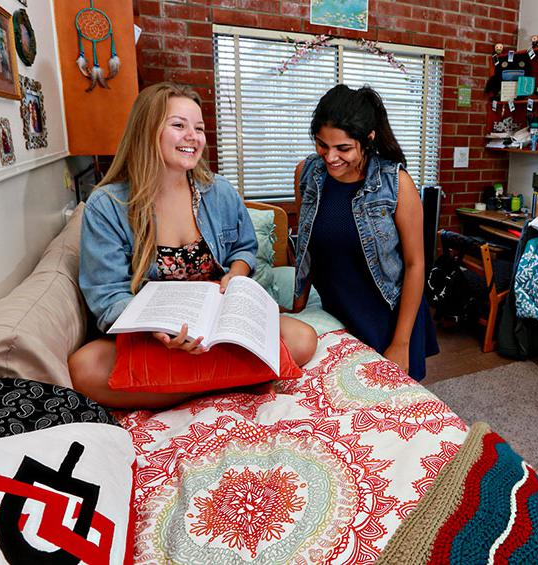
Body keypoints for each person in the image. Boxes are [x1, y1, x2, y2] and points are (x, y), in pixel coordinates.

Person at [69, 82, 317, 408]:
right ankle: (224, 383)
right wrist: (158, 329)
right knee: (83, 368)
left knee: (303, 339)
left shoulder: (220, 192)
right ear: (147, 131)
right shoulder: (107, 205)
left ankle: (175, 388)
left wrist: (236, 274)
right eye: (179, 125)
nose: (193, 136)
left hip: (220, 329)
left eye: (198, 128)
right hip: (156, 336)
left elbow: (244, 248)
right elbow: (107, 295)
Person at [291, 85, 438, 380]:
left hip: (387, 316)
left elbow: (415, 264)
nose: (330, 157)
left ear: (368, 138)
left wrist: (401, 342)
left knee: (393, 406)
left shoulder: (396, 184)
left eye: (343, 148)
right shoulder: (307, 173)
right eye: (322, 144)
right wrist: (298, 309)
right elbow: (306, 247)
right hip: (337, 311)